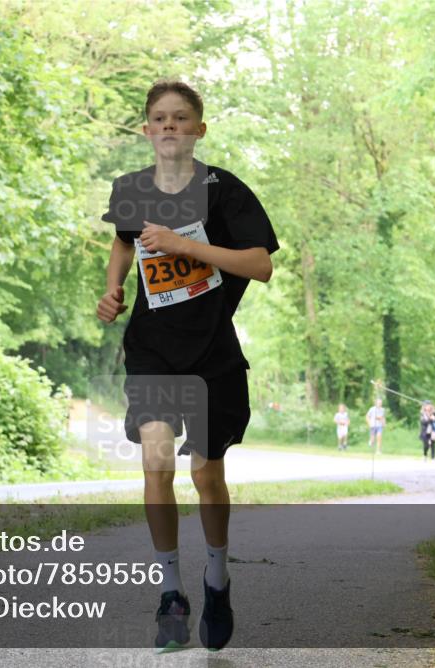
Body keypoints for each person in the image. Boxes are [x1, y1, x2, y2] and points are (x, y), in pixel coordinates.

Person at [97, 80, 278, 651]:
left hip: (212, 351)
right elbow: (125, 242)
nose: (170, 126)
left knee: (206, 475)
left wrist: (186, 246)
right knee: (155, 463)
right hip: (152, 348)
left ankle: (217, 578)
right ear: (147, 130)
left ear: (199, 129)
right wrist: (113, 289)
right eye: (159, 118)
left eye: (181, 118)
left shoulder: (223, 190)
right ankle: (171, 593)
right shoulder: (129, 189)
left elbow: (259, 265)